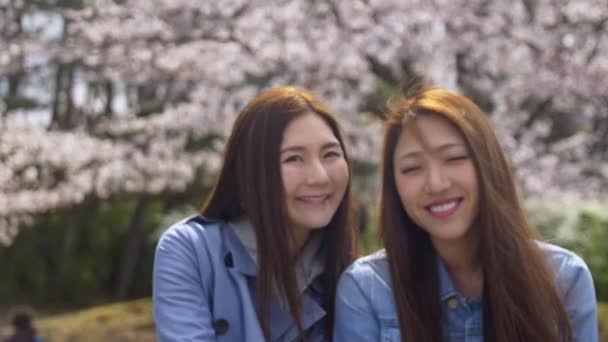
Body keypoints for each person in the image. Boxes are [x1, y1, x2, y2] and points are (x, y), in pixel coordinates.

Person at [333, 81, 598, 341]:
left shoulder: (564, 279)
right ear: (394, 186)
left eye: (454, 158)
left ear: (488, 164)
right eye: (412, 168)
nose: (436, 184)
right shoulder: (367, 289)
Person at [153, 86, 357, 341]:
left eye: (330, 154)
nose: (320, 176)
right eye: (294, 158)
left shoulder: (354, 278)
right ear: (252, 172)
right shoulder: (191, 249)